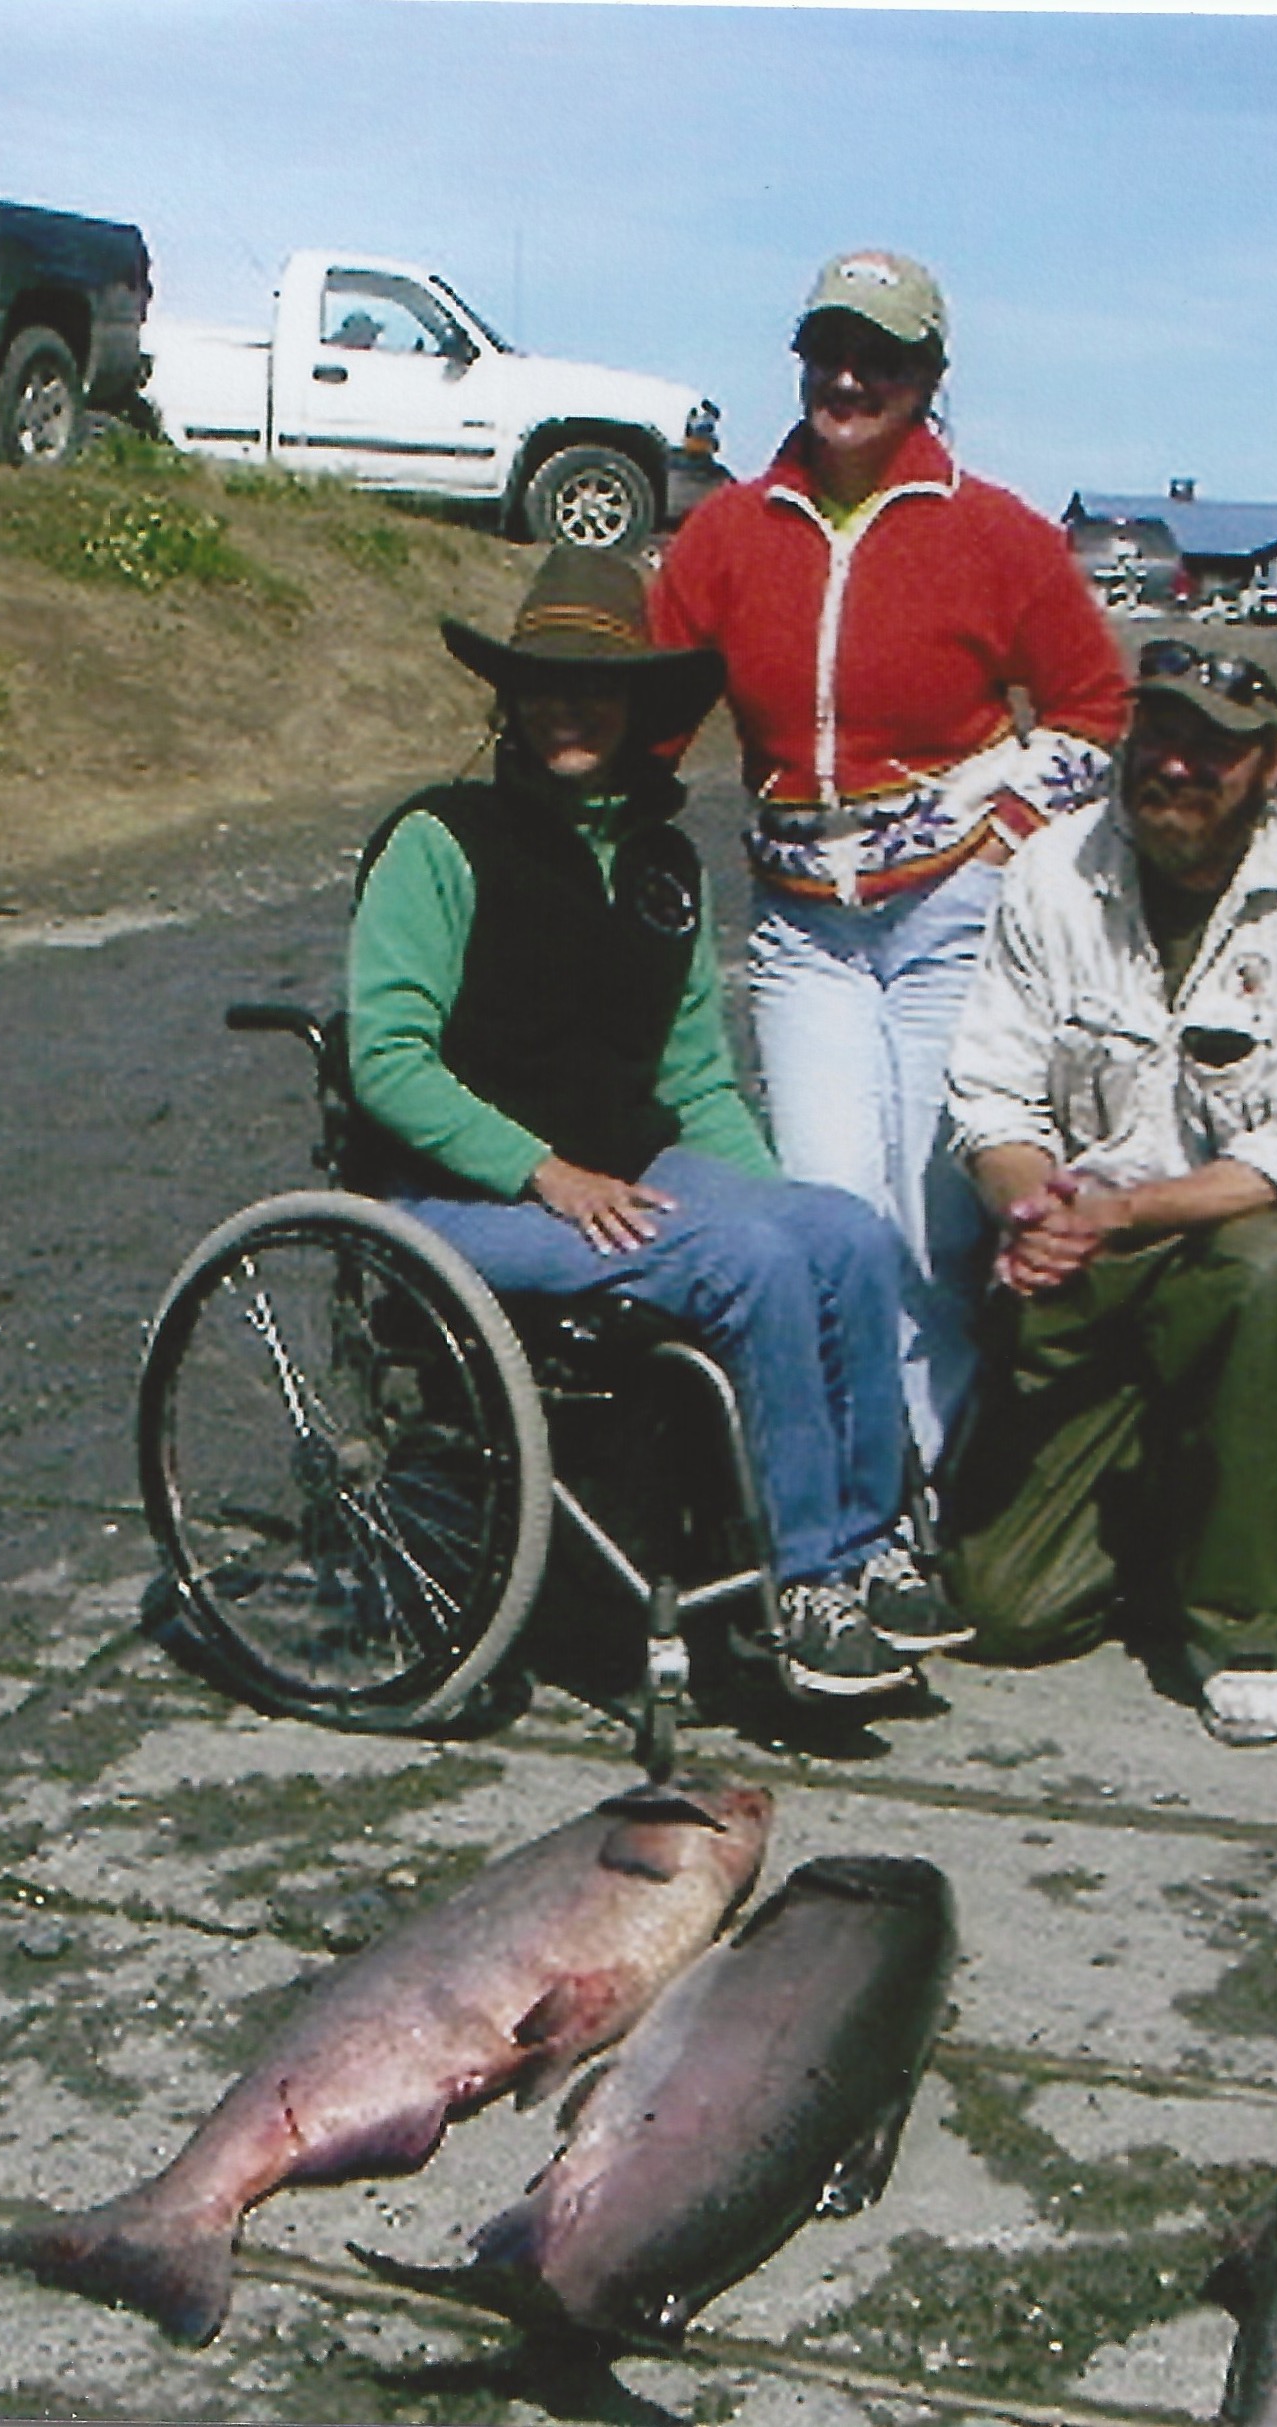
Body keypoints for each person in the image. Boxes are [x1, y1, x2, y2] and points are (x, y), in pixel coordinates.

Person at [341, 545, 939, 1702]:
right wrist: (542, 1170)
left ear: (634, 706)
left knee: (843, 1235)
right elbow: (386, 1061)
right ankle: (803, 1584)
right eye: (544, 684)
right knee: (749, 1260)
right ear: (508, 698)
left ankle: (872, 1547)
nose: (569, 708)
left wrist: (774, 1199)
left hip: (622, 1171)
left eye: (596, 687)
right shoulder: (440, 841)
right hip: (452, 1196)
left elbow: (694, 1076)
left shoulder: (662, 862)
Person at [649, 247, 1131, 1474]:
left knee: (933, 1227)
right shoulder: (725, 533)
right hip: (801, 929)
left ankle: (937, 1494)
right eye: (828, 352)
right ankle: (861, 1499)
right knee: (833, 1215)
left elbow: (1092, 709)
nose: (849, 380)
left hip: (951, 917)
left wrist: (1003, 837)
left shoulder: (996, 532)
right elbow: (647, 712)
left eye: (882, 360)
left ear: (928, 378)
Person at [932, 633, 1277, 1746]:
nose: (1175, 766)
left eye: (1213, 748)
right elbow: (990, 1100)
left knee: (1271, 1274)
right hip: (1081, 1266)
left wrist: (1121, 1214)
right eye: (1158, 735)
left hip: (1223, 1244)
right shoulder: (1050, 871)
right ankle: (1172, 1499)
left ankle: (1240, 1626)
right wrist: (1032, 1210)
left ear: (1275, 762)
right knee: (1000, 1612)